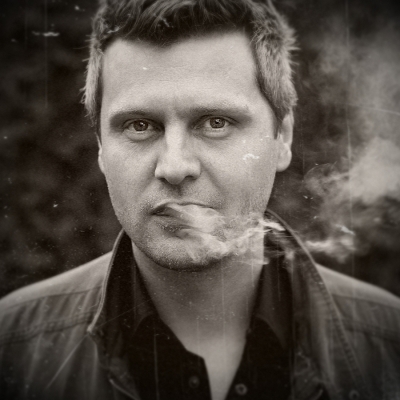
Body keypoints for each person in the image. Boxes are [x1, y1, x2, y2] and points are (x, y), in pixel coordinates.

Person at [1, 0, 400, 399]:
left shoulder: (389, 342)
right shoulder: (13, 347)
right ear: (101, 147)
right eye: (139, 125)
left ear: (282, 137)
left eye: (216, 122)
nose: (174, 167)